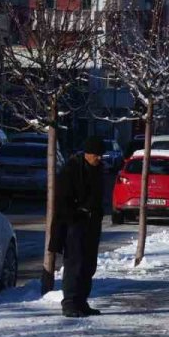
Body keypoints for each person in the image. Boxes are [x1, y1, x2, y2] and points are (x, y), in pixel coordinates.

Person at [51, 136, 106, 317]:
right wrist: (75, 215)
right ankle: (70, 302)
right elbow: (62, 200)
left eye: (100, 155)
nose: (99, 158)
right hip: (75, 224)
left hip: (92, 223)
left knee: (88, 264)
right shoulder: (72, 169)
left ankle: (81, 301)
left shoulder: (98, 170)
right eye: (96, 155)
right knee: (75, 263)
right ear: (87, 154)